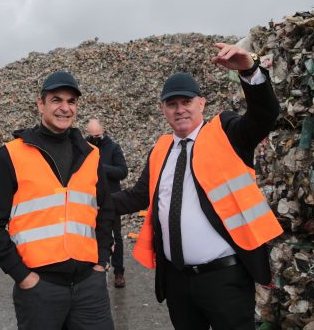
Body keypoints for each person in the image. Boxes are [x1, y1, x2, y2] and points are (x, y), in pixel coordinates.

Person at [112, 43, 283, 330]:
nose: (180, 110)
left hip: (224, 280)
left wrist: (249, 70)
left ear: (201, 103)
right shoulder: (161, 149)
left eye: (186, 102)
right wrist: (89, 201)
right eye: (172, 104)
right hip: (177, 281)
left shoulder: (226, 132)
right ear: (163, 110)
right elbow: (137, 197)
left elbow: (264, 115)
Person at [0, 70, 115, 330]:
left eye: (71, 101)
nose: (65, 108)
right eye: (56, 100)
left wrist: (101, 261)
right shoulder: (9, 156)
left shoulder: (91, 154)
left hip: (89, 286)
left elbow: (105, 211)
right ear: (40, 104)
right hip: (40, 288)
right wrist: (22, 276)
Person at [85, 118, 128, 288]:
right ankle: (93, 269)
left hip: (112, 199)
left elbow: (122, 171)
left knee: (115, 236)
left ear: (103, 131)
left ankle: (119, 272)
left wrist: (101, 168)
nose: (95, 138)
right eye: (92, 136)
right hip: (90, 199)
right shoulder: (84, 147)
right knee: (90, 235)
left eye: (98, 135)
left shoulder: (113, 148)